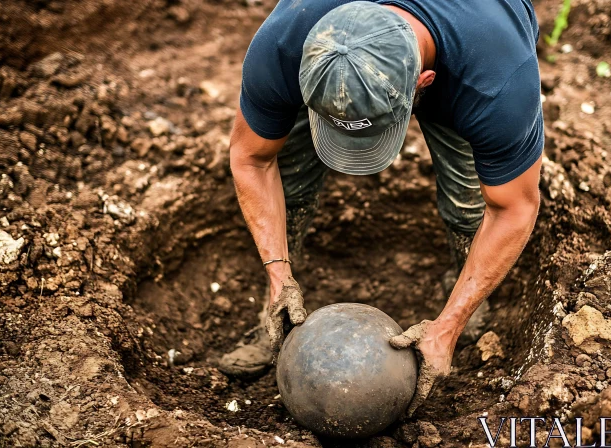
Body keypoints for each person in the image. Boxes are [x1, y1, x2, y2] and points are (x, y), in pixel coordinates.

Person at [220, 0, 543, 417]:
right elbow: (251, 158)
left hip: (468, 57)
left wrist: (449, 325)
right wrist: (277, 272)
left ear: (422, 82)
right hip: (332, 63)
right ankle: (276, 307)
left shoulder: (497, 82)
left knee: (470, 202)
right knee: (289, 170)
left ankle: (463, 302)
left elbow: (513, 208)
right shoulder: (287, 41)